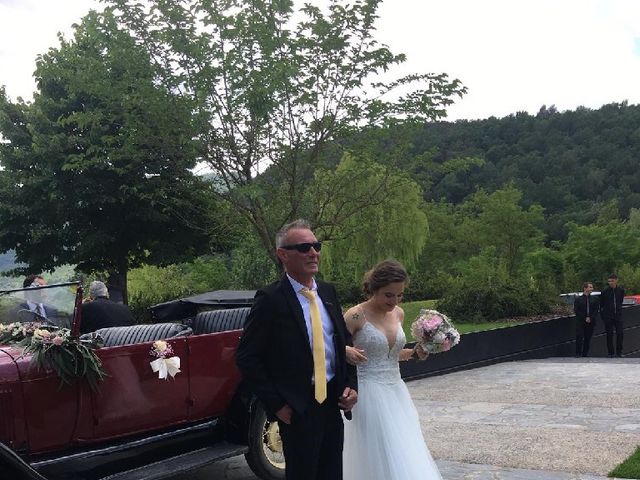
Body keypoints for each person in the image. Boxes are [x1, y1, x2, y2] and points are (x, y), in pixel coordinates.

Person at [236, 219, 358, 480]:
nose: (314, 253)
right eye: (304, 247)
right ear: (283, 255)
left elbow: (343, 343)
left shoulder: (327, 292)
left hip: (332, 403)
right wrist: (277, 405)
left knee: (332, 473)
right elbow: (247, 357)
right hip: (298, 407)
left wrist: (350, 384)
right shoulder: (271, 300)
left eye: (316, 245)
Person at [342, 259, 442, 480]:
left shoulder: (399, 314)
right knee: (377, 452)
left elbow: (391, 354)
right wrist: (345, 350)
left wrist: (416, 352)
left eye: (400, 295)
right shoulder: (355, 315)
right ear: (374, 288)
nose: (394, 300)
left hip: (395, 391)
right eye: (389, 295)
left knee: (402, 448)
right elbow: (333, 347)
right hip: (367, 392)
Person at [600, 274, 625, 357]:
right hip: (608, 316)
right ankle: (611, 353)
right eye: (609, 281)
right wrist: (603, 316)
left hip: (618, 316)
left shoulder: (621, 290)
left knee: (620, 333)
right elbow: (602, 305)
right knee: (609, 334)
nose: (610, 283)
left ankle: (619, 352)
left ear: (616, 280)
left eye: (612, 281)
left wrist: (619, 312)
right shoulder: (604, 291)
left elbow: (620, 302)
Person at [573, 282, 599, 357]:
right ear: (585, 288)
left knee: (588, 337)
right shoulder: (578, 299)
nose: (592, 289)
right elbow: (576, 310)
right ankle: (578, 353)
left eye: (592, 287)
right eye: (590, 287)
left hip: (591, 321)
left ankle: (585, 353)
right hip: (581, 321)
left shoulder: (595, 299)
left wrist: (590, 318)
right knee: (579, 336)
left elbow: (596, 310)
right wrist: (585, 318)